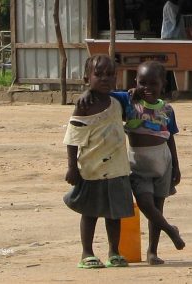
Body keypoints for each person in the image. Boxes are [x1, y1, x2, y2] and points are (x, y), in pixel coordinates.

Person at [78, 60, 186, 265]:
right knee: (146, 204)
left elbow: (170, 137)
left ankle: (152, 252)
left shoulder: (168, 110)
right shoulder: (129, 101)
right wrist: (86, 94)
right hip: (138, 163)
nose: (147, 88)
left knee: (158, 206)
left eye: (153, 84)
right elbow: (103, 92)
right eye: (142, 83)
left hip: (163, 162)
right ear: (135, 81)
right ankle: (171, 230)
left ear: (163, 83)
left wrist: (177, 167)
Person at [63, 54, 134, 269]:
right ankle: (87, 253)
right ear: (87, 78)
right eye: (98, 74)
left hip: (118, 168)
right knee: (90, 212)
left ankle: (114, 251)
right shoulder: (84, 105)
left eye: (110, 75)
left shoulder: (118, 101)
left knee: (115, 214)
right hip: (92, 170)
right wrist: (71, 167)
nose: (105, 79)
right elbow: (72, 138)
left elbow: (138, 95)